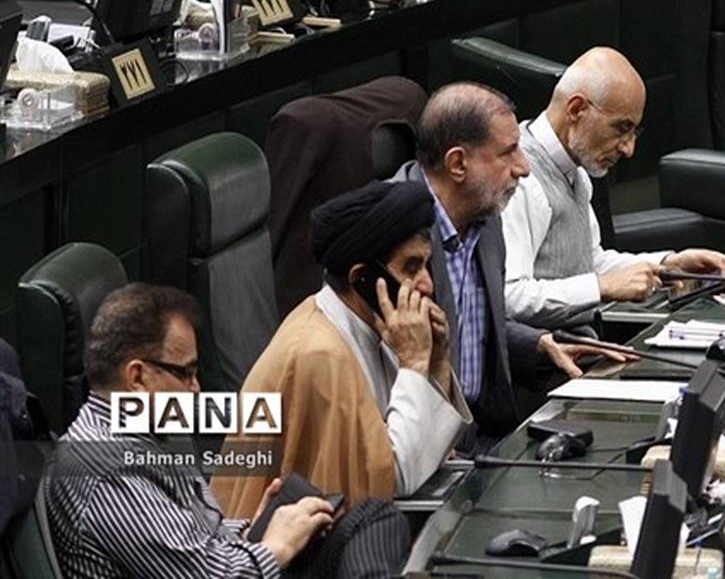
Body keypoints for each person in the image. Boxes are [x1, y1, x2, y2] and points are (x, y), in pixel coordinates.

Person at [213, 180, 470, 518]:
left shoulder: (375, 325)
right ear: (362, 277)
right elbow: (393, 480)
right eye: (411, 267)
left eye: (426, 265)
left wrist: (436, 361)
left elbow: (430, 450)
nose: (427, 284)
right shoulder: (319, 354)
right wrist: (413, 362)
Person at [392, 82, 633, 438]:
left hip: (483, 434)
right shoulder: (392, 239)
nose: (523, 167)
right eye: (508, 153)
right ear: (458, 163)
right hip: (419, 442)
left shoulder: (486, 221)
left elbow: (472, 322)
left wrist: (537, 345)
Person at [45, 283, 335, 577]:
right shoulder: (110, 473)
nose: (196, 388)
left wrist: (253, 531)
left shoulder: (149, 428)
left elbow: (188, 537)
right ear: (138, 378)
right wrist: (276, 547)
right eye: (186, 373)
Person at [502, 47, 725, 329]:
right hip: (546, 352)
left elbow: (589, 262)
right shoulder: (521, 180)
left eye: (634, 131)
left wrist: (668, 265)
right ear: (576, 109)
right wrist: (601, 287)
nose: (629, 149)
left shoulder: (574, 168)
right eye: (621, 128)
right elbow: (509, 297)